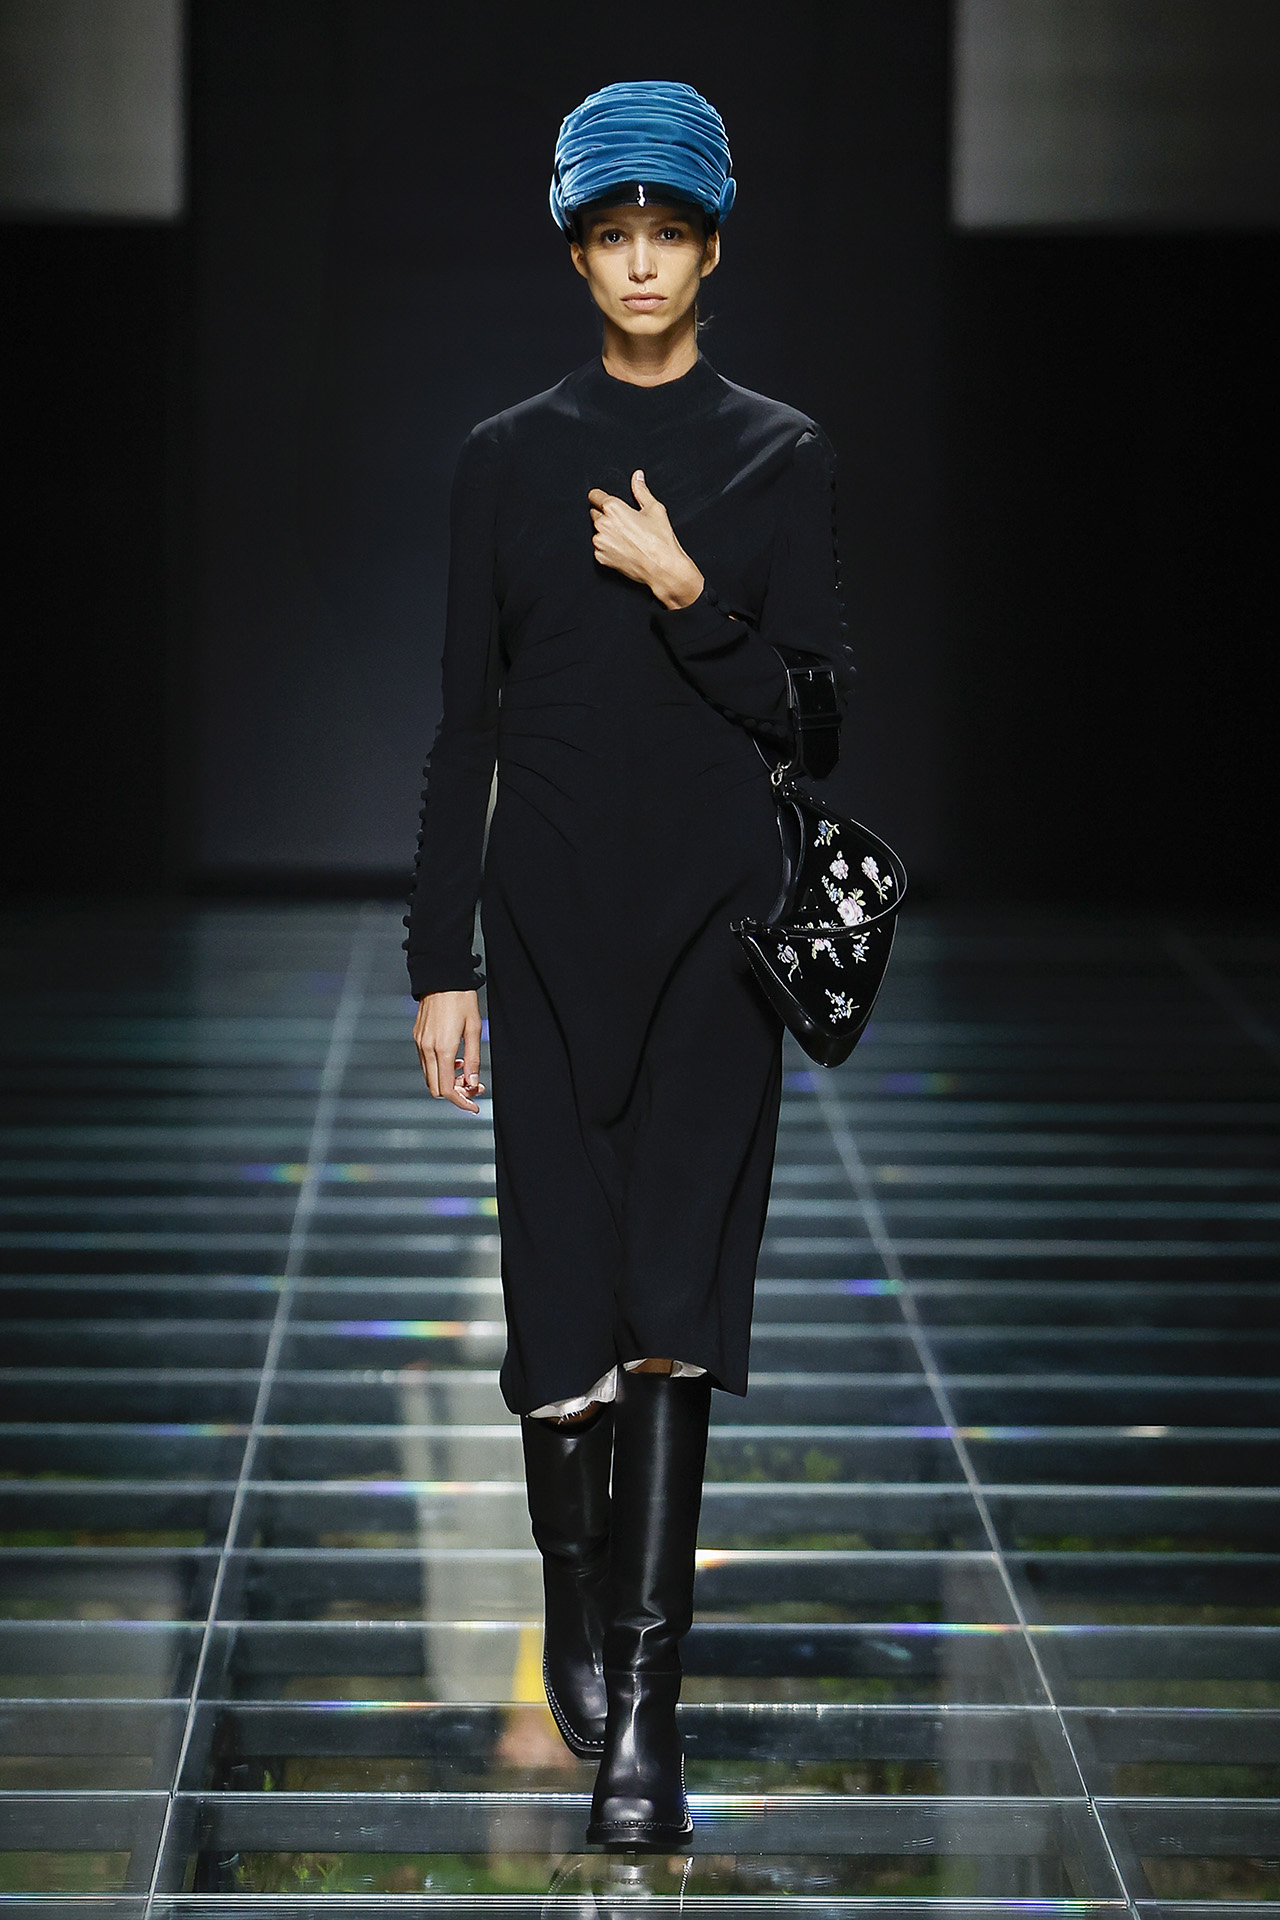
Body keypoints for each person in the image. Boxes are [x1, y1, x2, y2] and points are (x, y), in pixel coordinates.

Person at [405, 79, 854, 1848]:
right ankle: (573, 1590)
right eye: (616, 232)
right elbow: (465, 728)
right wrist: (440, 962)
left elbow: (815, 720)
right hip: (545, 921)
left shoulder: (779, 454)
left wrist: (686, 591)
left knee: (677, 1307)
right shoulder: (506, 458)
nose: (646, 260)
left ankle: (646, 1717)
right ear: (578, 252)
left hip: (717, 932)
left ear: (714, 248)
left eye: (672, 230)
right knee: (559, 1309)